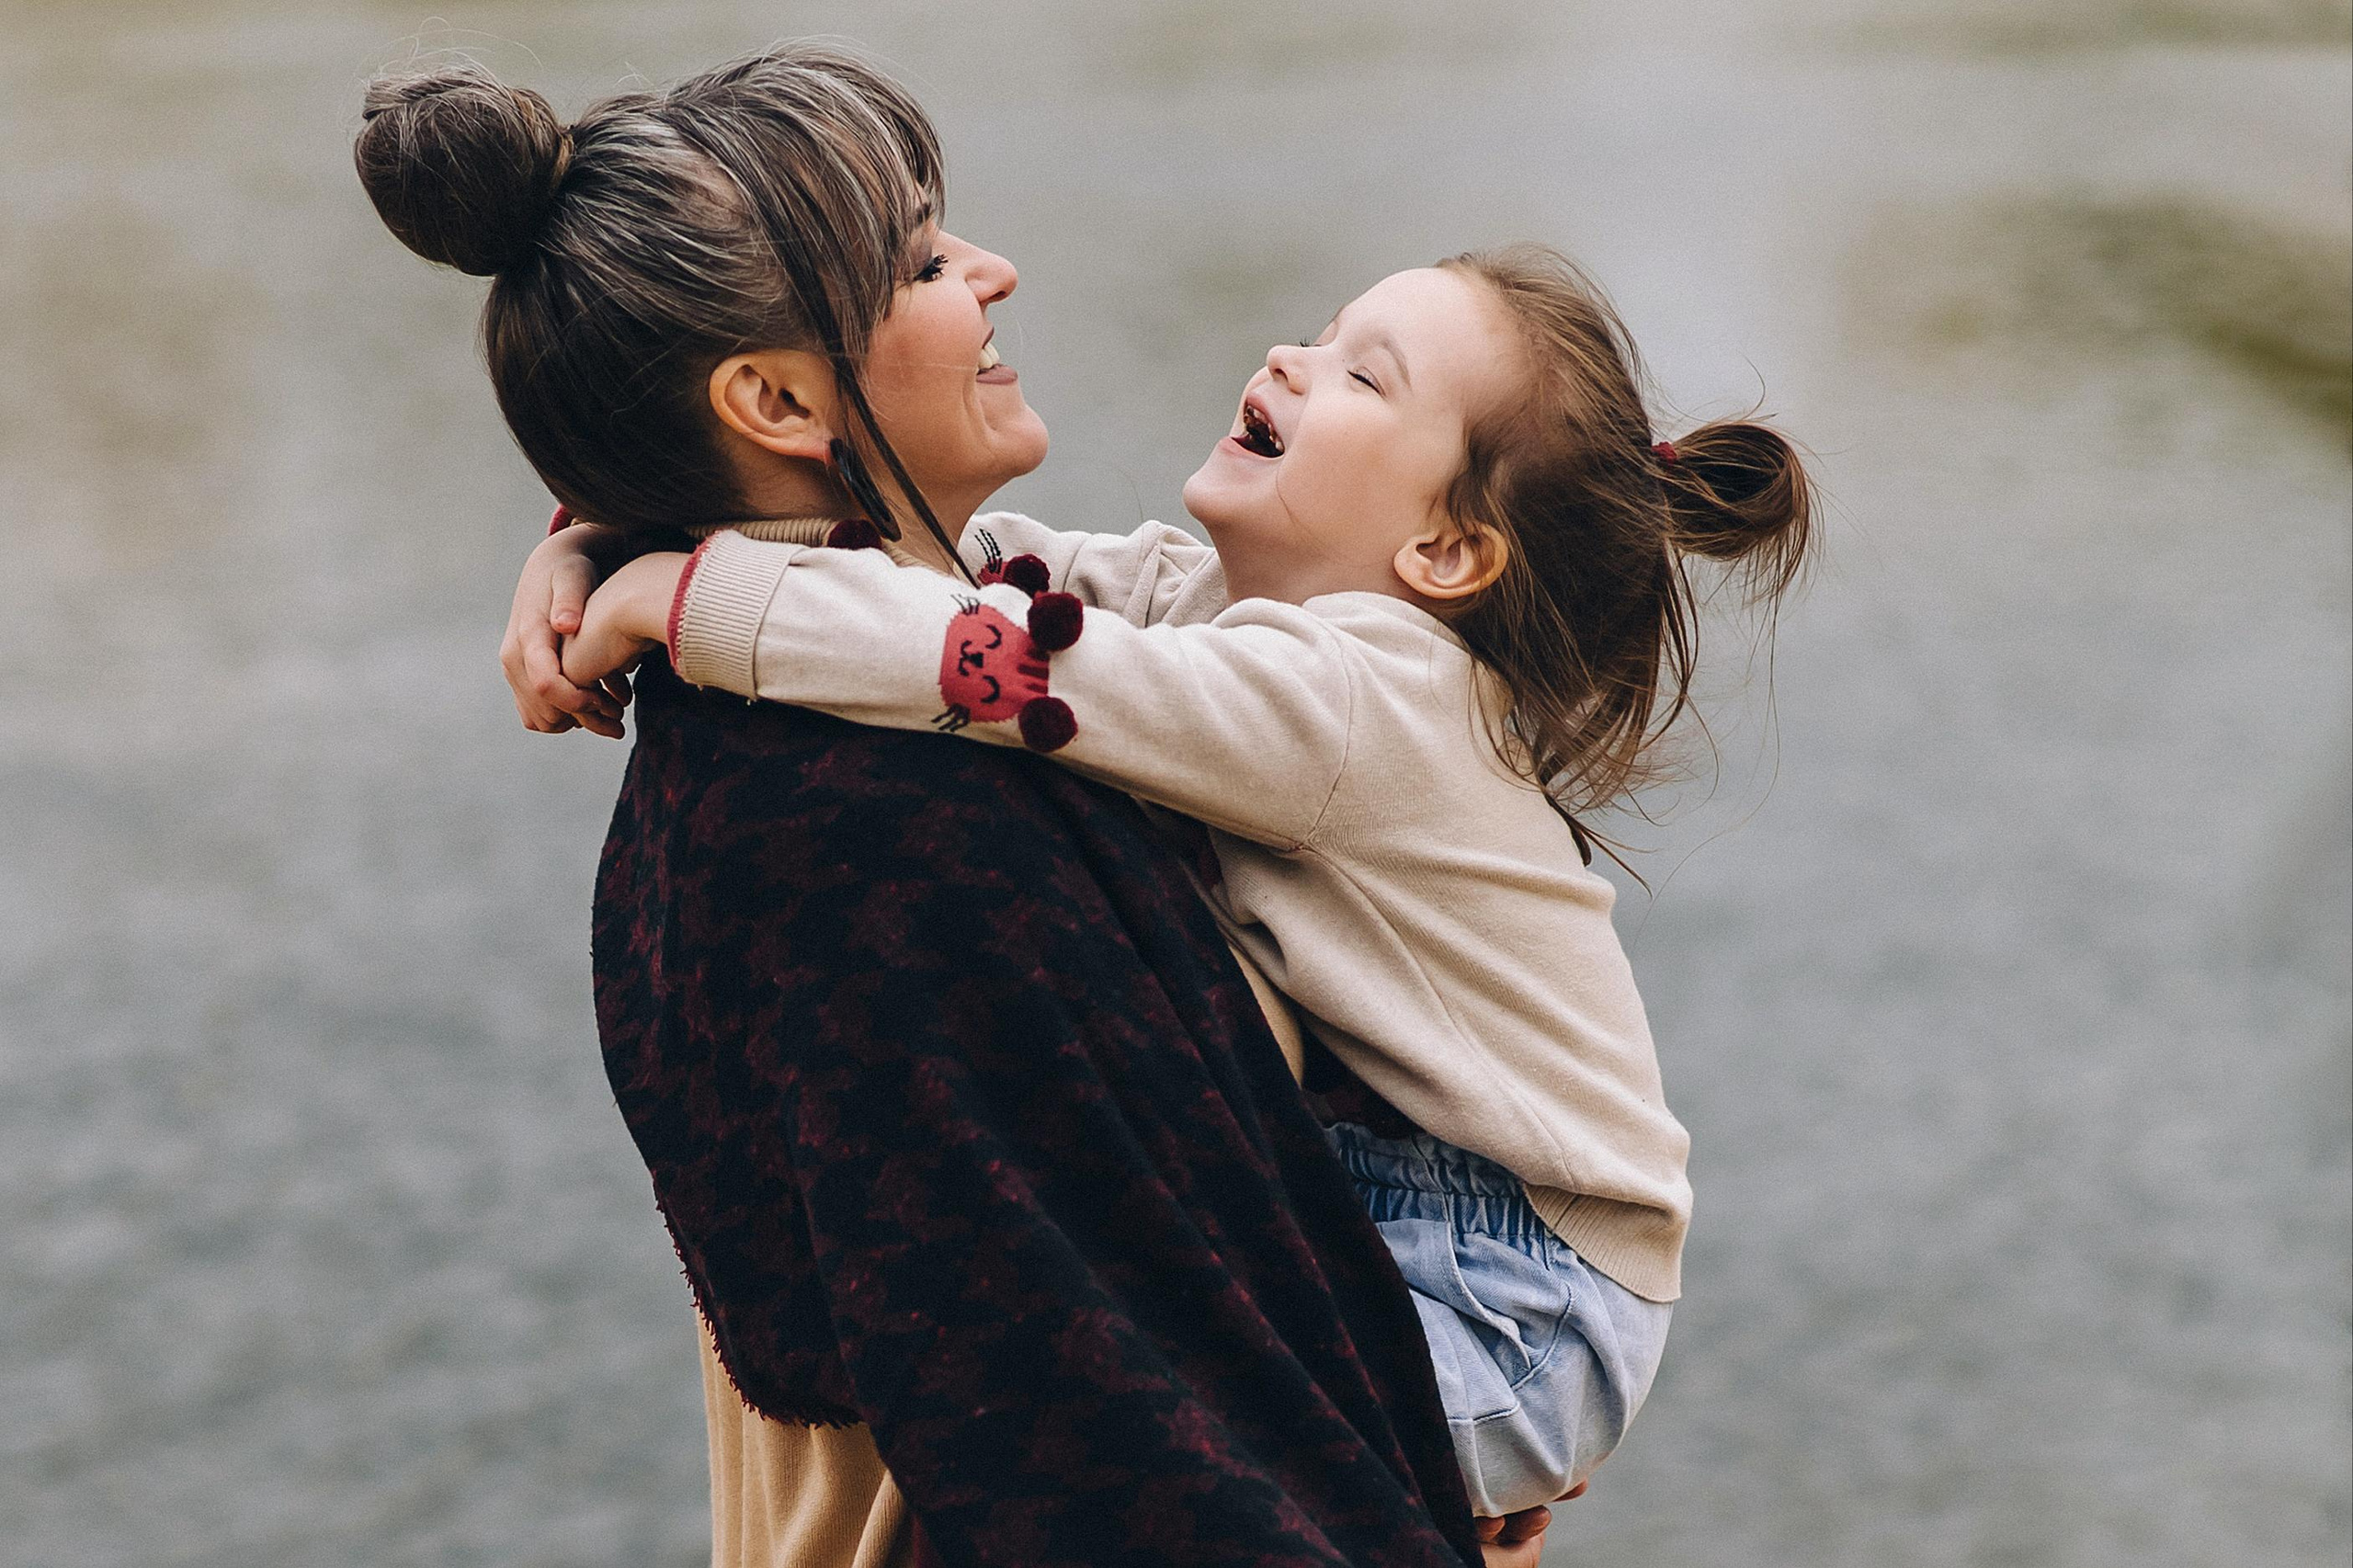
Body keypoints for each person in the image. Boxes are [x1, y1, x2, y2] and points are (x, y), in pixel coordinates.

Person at [359, 43, 1556, 1568]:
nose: (994, 272)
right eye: (924, 262)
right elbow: (1097, 1430)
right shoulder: (894, 826)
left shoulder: (824, 712)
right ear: (776, 398)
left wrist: (611, 542)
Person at [551, 247, 1815, 1520]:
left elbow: (995, 664)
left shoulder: (1364, 699)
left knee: (1141, 1442)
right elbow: (940, 573)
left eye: (1362, 376)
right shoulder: (1208, 603)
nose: (1289, 360)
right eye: (1322, 332)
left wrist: (688, 599)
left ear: (1443, 549)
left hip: (1513, 1296)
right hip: (1388, 1205)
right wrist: (609, 542)